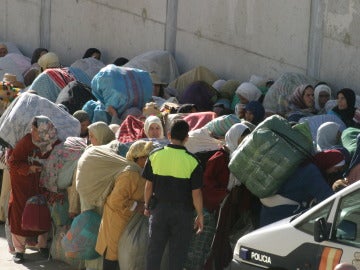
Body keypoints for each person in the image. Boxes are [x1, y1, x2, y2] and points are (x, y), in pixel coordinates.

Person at [143, 120, 204, 270]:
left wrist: (146, 205)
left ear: (169, 135)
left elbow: (148, 186)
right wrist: (200, 215)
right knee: (178, 255)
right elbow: (196, 194)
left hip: (159, 211)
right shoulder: (193, 162)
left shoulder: (154, 155)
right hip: (183, 214)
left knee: (154, 253)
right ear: (186, 138)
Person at [8, 116, 60, 263]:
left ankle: (42, 244)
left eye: (35, 130)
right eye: (32, 129)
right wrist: (29, 168)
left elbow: (59, 157)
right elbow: (13, 161)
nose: (32, 132)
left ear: (44, 131)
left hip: (43, 182)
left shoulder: (54, 141)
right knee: (20, 212)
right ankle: (19, 250)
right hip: (23, 182)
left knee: (43, 210)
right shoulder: (26, 141)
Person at [96, 140, 154, 270]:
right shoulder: (129, 174)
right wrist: (137, 206)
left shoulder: (140, 172)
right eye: (147, 157)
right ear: (138, 158)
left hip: (127, 221)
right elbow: (115, 200)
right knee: (113, 256)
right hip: (117, 221)